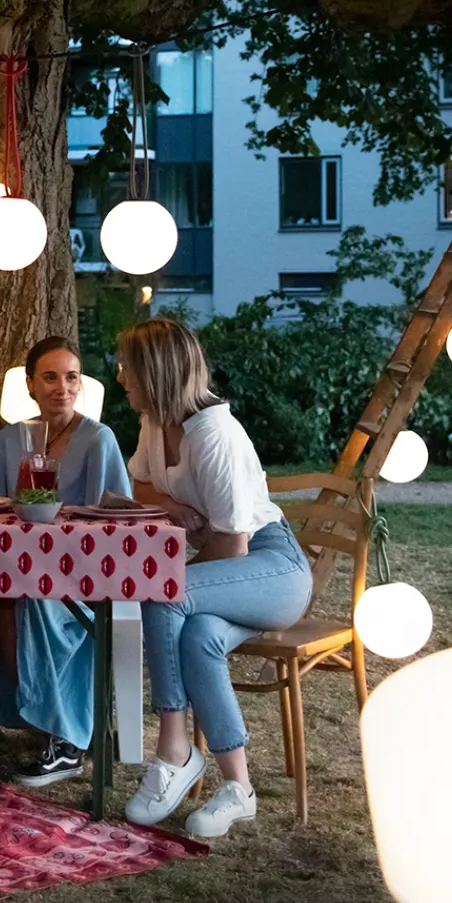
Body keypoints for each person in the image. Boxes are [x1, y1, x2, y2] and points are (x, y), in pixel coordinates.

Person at [118, 318, 312, 837]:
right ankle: (239, 788)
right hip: (231, 568)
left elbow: (233, 543)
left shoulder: (215, 435)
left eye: (127, 368)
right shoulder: (156, 422)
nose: (120, 378)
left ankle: (174, 751)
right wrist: (172, 504)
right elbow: (138, 483)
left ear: (155, 372)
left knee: (164, 593)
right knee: (200, 636)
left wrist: (178, 578)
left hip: (273, 568)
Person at [0, 337, 130, 786]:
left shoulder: (98, 439)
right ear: (30, 385)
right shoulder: (14, 438)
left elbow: (113, 522)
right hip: (14, 571)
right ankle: (45, 727)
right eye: (49, 377)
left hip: (78, 580)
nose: (62, 387)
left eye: (72, 377)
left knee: (6, 603)